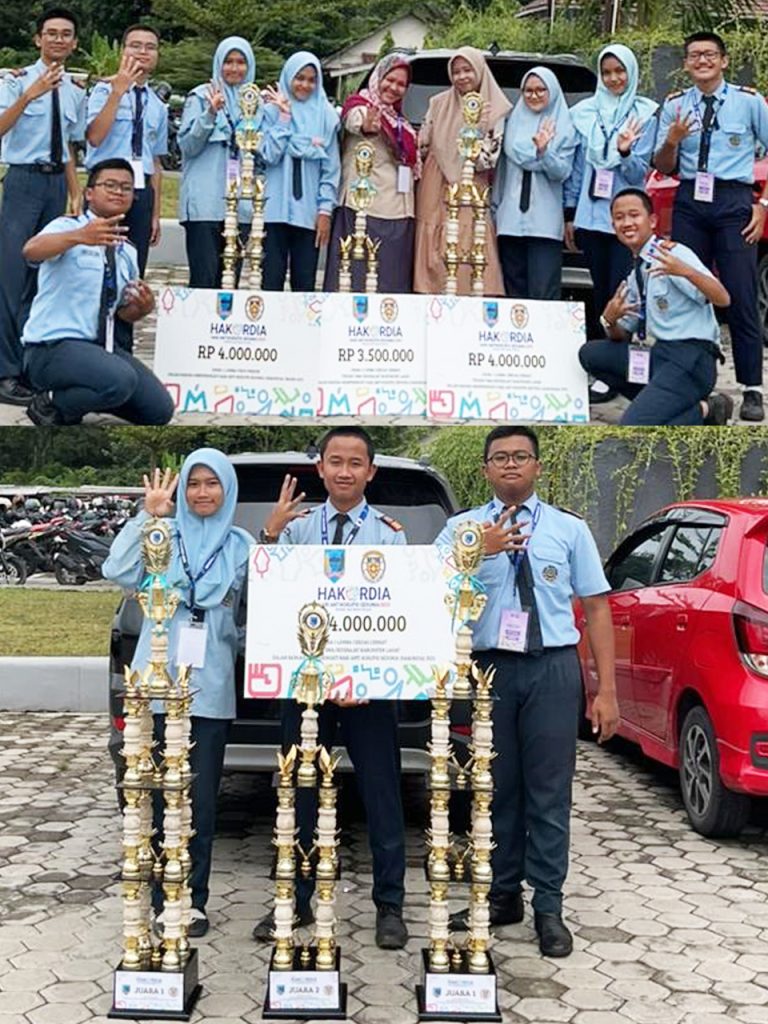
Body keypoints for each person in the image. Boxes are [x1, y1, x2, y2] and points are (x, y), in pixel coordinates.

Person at [436, 425, 619, 959]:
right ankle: (501, 894)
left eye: (521, 456)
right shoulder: (461, 529)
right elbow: (430, 586)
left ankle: (549, 906)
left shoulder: (568, 529)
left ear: (538, 466)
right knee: (495, 787)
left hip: (552, 668)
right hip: (490, 670)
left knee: (549, 789)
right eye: (500, 457)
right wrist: (479, 551)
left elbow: (597, 607)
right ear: (485, 469)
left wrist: (606, 691)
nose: (511, 464)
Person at [252, 426, 409, 950]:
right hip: (305, 687)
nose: (345, 471)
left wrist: (362, 675)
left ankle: (390, 905)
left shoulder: (389, 535)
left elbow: (397, 613)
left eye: (355, 462)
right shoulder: (295, 528)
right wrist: (269, 534)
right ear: (319, 468)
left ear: (371, 471)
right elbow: (270, 597)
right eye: (335, 461)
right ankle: (295, 899)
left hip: (369, 689)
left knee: (382, 793)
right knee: (299, 793)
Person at [103, 451, 254, 938]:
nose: (202, 493)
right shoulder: (161, 535)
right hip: (153, 688)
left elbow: (268, 603)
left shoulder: (242, 546)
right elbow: (116, 570)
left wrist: (274, 539)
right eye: (194, 483)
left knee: (199, 802)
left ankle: (191, 898)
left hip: (208, 691)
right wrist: (147, 515)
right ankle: (153, 895)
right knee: (151, 795)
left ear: (228, 490)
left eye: (212, 483)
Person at [653, 32, 768, 423]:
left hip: (733, 202)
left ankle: (752, 388)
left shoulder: (748, 102)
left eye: (709, 54)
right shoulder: (675, 105)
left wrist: (763, 206)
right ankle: (692, 381)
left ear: (724, 60)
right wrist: (672, 141)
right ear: (686, 63)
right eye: (694, 55)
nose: (702, 61)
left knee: (740, 293)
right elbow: (663, 165)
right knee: (687, 292)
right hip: (690, 202)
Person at [21, 158, 174, 427]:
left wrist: (142, 308)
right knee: (120, 379)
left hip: (102, 349)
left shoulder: (127, 251)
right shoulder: (67, 227)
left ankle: (90, 394)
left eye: (126, 188)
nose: (118, 192)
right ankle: (51, 402)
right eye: (110, 185)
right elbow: (31, 250)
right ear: (89, 193)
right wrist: (80, 236)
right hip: (53, 347)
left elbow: (121, 313)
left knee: (159, 411)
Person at [578, 188, 732, 426]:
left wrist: (686, 272)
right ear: (613, 225)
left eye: (634, 215)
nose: (627, 223)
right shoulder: (635, 273)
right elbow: (621, 336)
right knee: (590, 354)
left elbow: (723, 298)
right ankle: (664, 407)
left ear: (652, 221)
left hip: (690, 358)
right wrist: (609, 320)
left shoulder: (673, 254)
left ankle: (706, 410)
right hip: (658, 355)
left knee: (634, 426)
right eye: (619, 218)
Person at [0, 7, 86, 407]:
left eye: (66, 34)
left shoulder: (75, 90)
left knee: (45, 278)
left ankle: (31, 367)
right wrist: (28, 96)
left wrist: (75, 190)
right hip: (23, 182)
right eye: (51, 33)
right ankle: (5, 372)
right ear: (38, 39)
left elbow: (67, 143)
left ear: (74, 43)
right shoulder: (15, 81)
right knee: (12, 276)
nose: (58, 39)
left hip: (55, 184)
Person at [564, 46, 658, 341]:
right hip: (591, 217)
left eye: (620, 71)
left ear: (632, 72)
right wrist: (570, 213)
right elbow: (578, 169)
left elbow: (637, 174)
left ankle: (622, 355)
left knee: (624, 291)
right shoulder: (583, 113)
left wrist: (625, 152)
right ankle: (599, 354)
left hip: (626, 221)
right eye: (606, 73)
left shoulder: (645, 115)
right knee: (598, 290)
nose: (613, 78)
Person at [414, 47, 511, 295]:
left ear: (479, 70)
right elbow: (423, 143)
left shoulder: (494, 108)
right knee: (434, 243)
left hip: (472, 184)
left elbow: (488, 159)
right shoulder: (437, 103)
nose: (462, 77)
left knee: (470, 239)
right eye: (456, 72)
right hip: (435, 183)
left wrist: (475, 132)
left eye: (468, 70)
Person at [323, 54, 419, 293]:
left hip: (398, 211)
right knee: (353, 278)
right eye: (390, 80)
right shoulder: (360, 104)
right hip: (361, 207)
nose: (394, 88)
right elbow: (353, 120)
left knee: (390, 280)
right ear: (377, 78)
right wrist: (366, 127)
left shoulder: (399, 121)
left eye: (401, 84)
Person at [86, 24, 167, 275]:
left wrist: (155, 214)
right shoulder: (103, 90)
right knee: (97, 262)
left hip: (140, 190)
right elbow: (94, 137)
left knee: (134, 266)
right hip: (107, 185)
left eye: (150, 47)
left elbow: (156, 163)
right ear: (123, 50)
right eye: (135, 46)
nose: (143, 52)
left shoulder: (157, 105)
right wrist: (118, 92)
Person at [178, 36, 256, 288]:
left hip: (240, 206)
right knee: (204, 281)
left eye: (241, 62)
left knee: (230, 284)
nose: (234, 68)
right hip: (205, 204)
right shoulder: (201, 96)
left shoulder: (254, 102)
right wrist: (210, 113)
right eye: (228, 62)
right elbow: (187, 146)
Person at [259, 51, 340, 292]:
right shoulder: (271, 111)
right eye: (299, 78)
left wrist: (325, 210)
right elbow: (269, 155)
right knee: (271, 281)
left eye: (311, 80)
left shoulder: (326, 117)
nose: (305, 85)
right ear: (288, 77)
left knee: (304, 285)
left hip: (308, 213)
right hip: (274, 211)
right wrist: (284, 118)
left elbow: (330, 169)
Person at [493, 66, 576, 300]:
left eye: (541, 90)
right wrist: (494, 212)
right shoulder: (511, 124)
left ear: (553, 91)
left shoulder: (565, 127)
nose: (534, 95)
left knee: (544, 294)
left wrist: (544, 153)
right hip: (510, 222)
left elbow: (562, 172)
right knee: (513, 294)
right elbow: (501, 176)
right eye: (528, 90)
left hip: (544, 225)